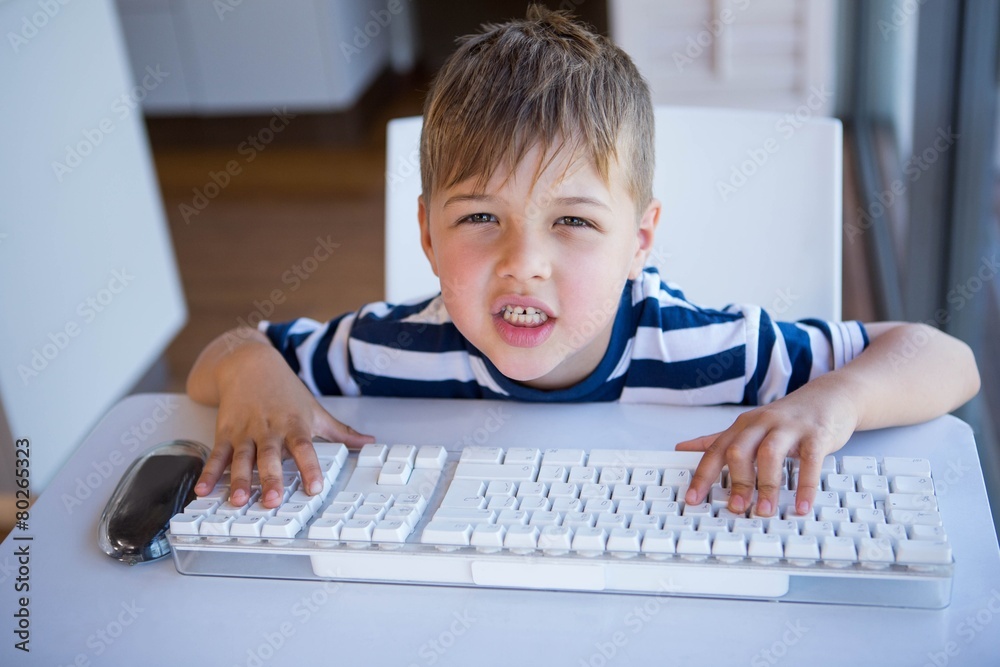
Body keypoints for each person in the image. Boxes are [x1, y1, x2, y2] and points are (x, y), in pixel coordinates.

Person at [187, 6, 980, 521]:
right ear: (427, 234)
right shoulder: (388, 347)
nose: (524, 262)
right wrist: (253, 371)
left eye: (571, 220)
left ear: (640, 241)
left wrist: (826, 404)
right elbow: (228, 355)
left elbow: (947, 359)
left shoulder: (707, 351)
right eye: (481, 219)